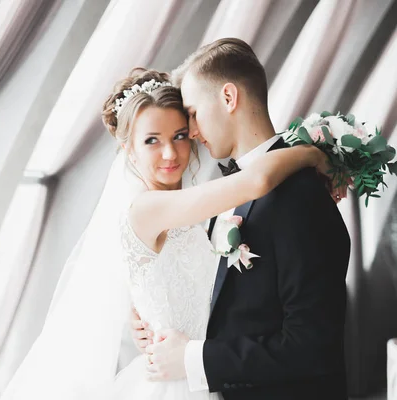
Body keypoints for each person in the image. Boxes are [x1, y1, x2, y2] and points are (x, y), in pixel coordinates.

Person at [130, 38, 351, 400]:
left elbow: (313, 346)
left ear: (229, 98)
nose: (193, 131)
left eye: (194, 114)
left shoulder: (299, 195)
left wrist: (194, 359)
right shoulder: (229, 189)